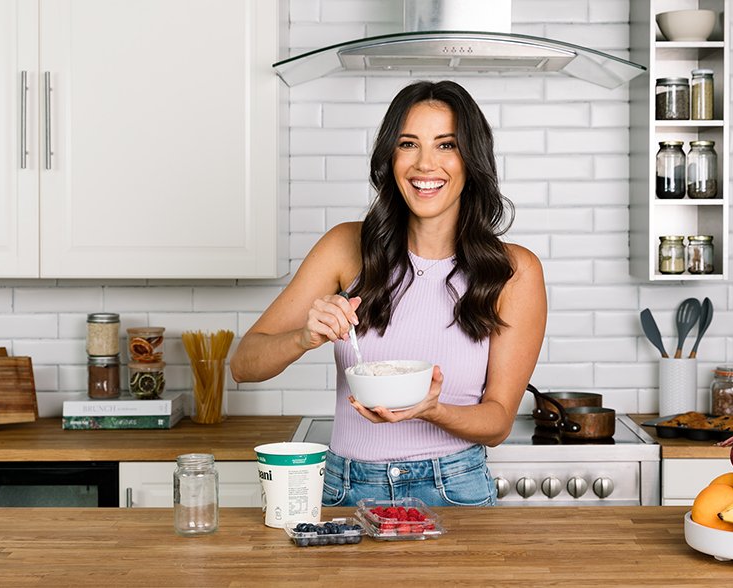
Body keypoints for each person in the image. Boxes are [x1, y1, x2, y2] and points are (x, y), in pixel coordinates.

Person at [230, 80, 546, 507]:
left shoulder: (514, 271)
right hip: (344, 489)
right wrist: (304, 338)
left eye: (446, 145)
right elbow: (244, 364)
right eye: (408, 144)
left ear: (472, 160)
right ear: (390, 157)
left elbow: (499, 422)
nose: (425, 164)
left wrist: (433, 409)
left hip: (453, 489)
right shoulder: (345, 247)